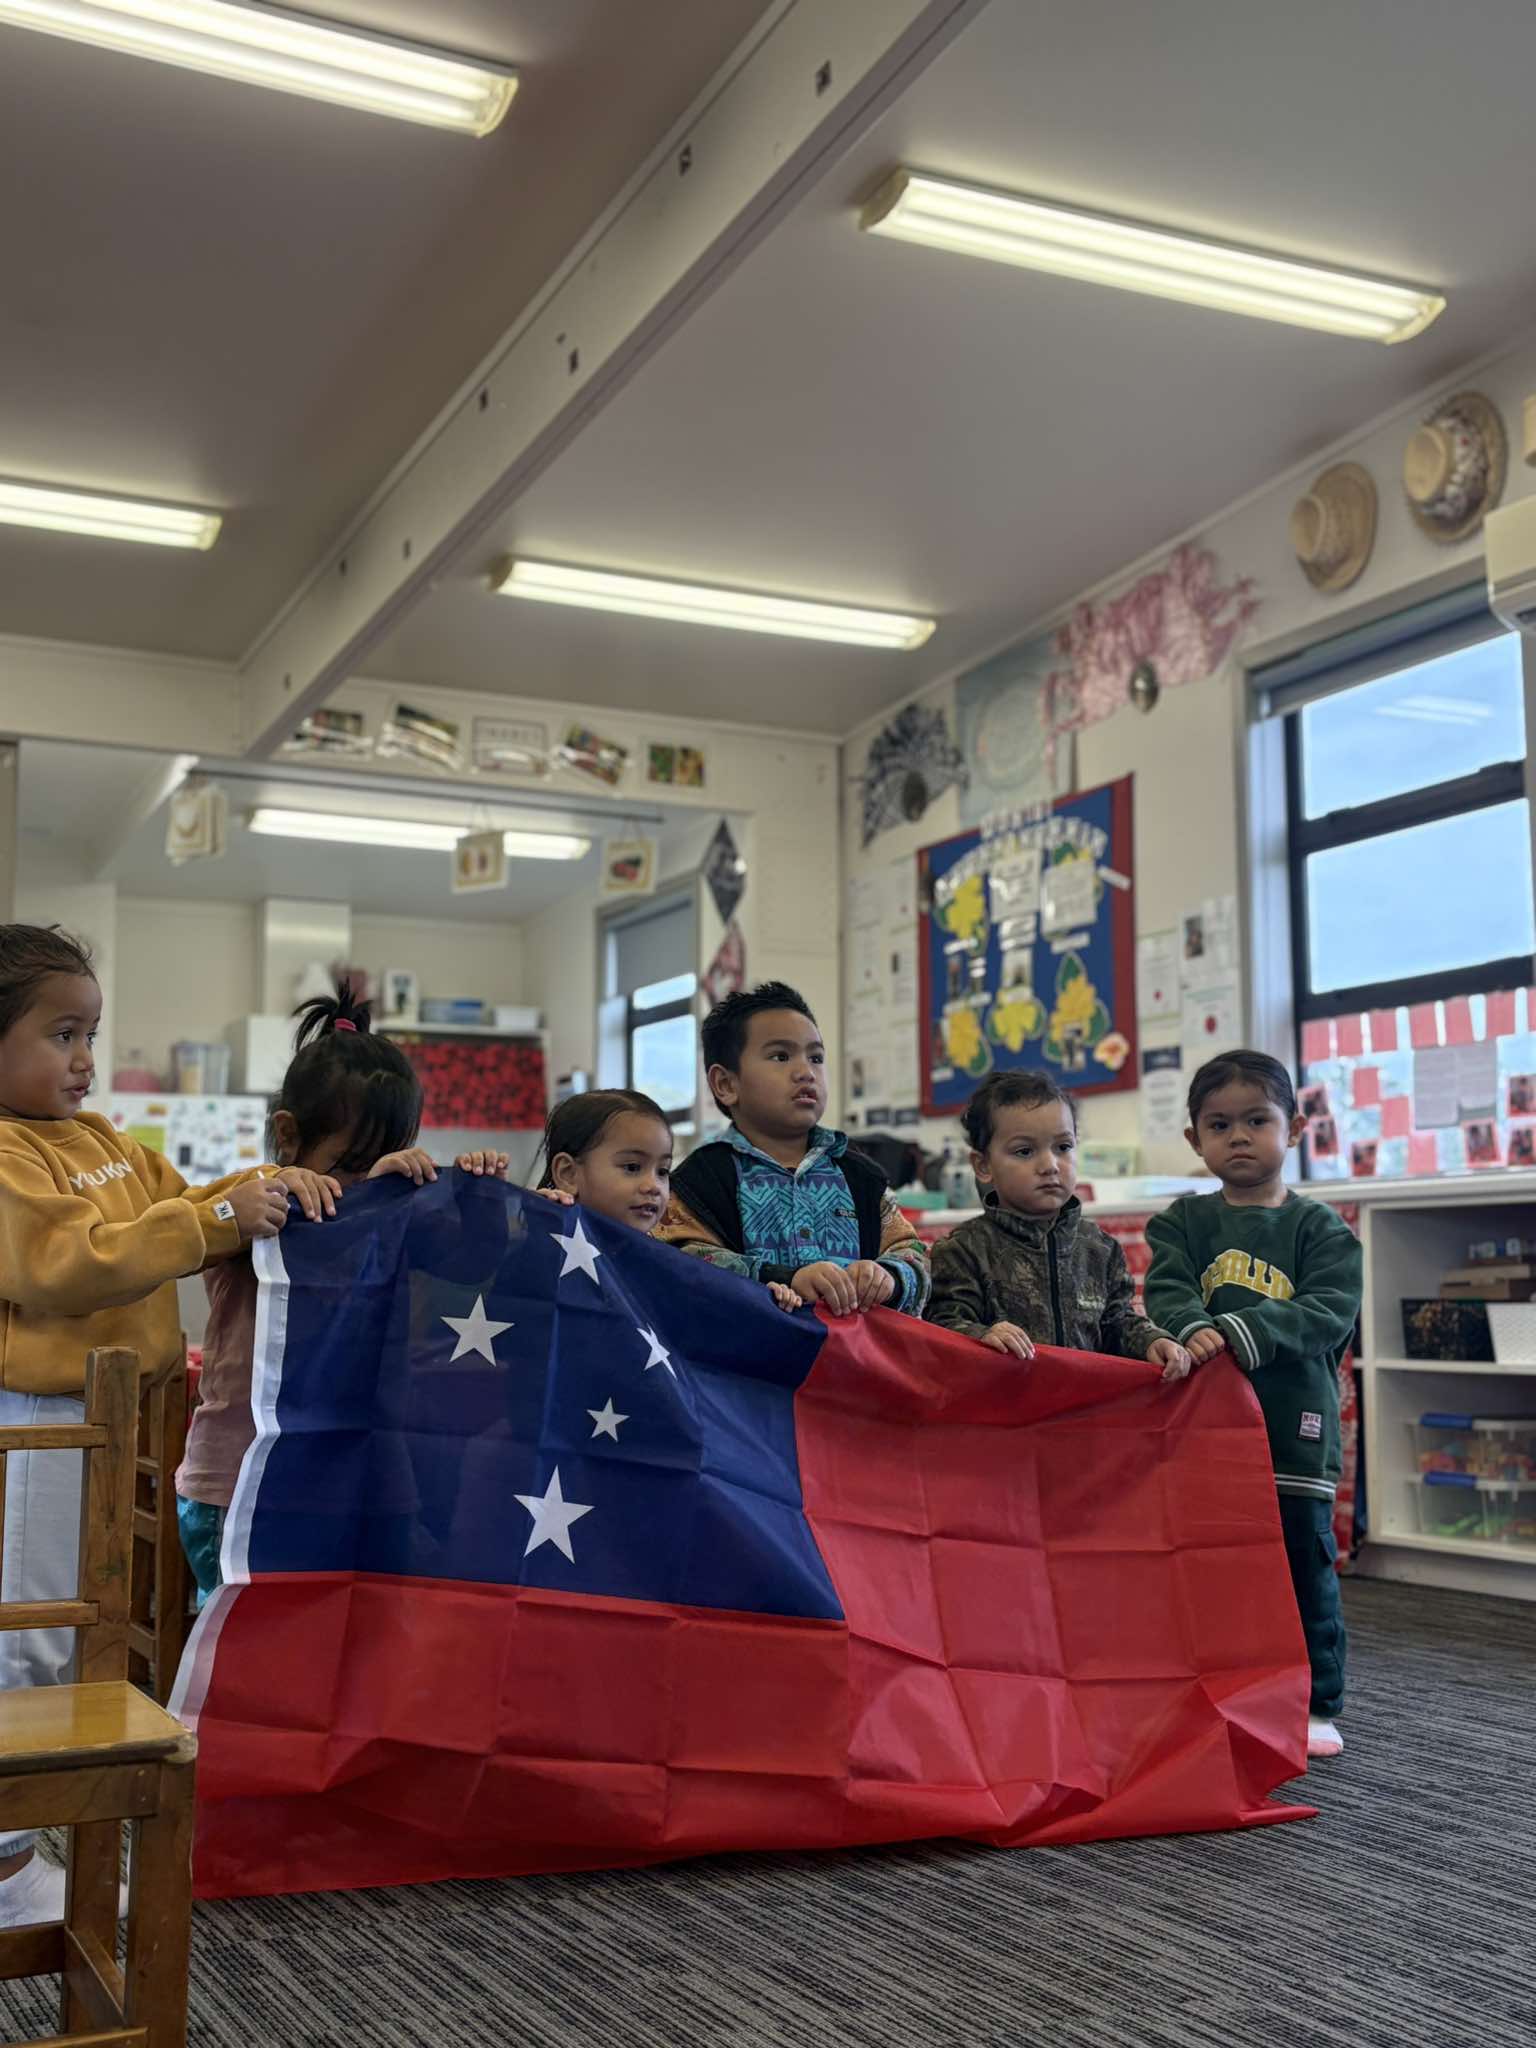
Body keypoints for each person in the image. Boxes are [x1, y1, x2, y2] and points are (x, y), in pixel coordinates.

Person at [0, 923, 335, 1927]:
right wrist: (212, 1220)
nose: (84, 1059)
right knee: (29, 1631)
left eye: (91, 1034)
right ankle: (4, 1866)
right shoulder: (7, 1153)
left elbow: (185, 1201)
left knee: (75, 1631)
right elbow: (66, 1263)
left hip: (105, 1419)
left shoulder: (102, 1141)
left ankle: (21, 1844)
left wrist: (260, 1189)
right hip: (40, 1418)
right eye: (62, 1034)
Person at [176, 985, 509, 1607]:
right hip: (243, 1480)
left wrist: (482, 1195)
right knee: (253, 1649)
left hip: (367, 1478)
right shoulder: (254, 1205)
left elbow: (472, 1265)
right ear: (287, 1134)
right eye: (353, 1166)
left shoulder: (397, 1213)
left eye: (386, 1160)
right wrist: (282, 1184)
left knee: (367, 1640)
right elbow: (196, 1228)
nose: (366, 1185)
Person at [1143, 1049, 1362, 1762]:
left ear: (1293, 1129)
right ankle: (1220, 1683)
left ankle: (1317, 1700)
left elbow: (1329, 1311)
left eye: (1256, 1121)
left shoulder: (1322, 1229)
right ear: (1195, 1139)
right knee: (1212, 1566)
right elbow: (1166, 1291)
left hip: (1296, 1431)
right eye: (1219, 1124)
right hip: (1206, 1432)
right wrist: (1189, 1325)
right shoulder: (1180, 1223)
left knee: (1303, 1568)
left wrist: (1240, 1332)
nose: (1238, 1136)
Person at [657, 982, 930, 1317]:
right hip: (752, 1349)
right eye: (781, 1056)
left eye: (816, 1058)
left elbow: (913, 1252)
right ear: (726, 1084)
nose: (806, 1072)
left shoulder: (861, 1175)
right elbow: (680, 1262)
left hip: (853, 1350)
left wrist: (890, 1277)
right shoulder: (701, 1180)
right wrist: (783, 1279)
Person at [926, 1071, 1190, 1376]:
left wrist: (1151, 1341)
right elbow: (943, 1326)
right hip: (1006, 1401)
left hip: (1086, 1401)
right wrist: (982, 1335)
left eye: (1063, 1147)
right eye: (1025, 1151)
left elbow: (1117, 1323)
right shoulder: (963, 1250)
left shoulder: (1101, 1249)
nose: (1050, 1165)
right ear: (983, 1165)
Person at [532, 1088, 674, 1233]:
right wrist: (523, 1219)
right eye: (632, 1167)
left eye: (662, 1171)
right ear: (568, 1174)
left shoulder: (667, 1245)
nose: (654, 1186)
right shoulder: (536, 1235)